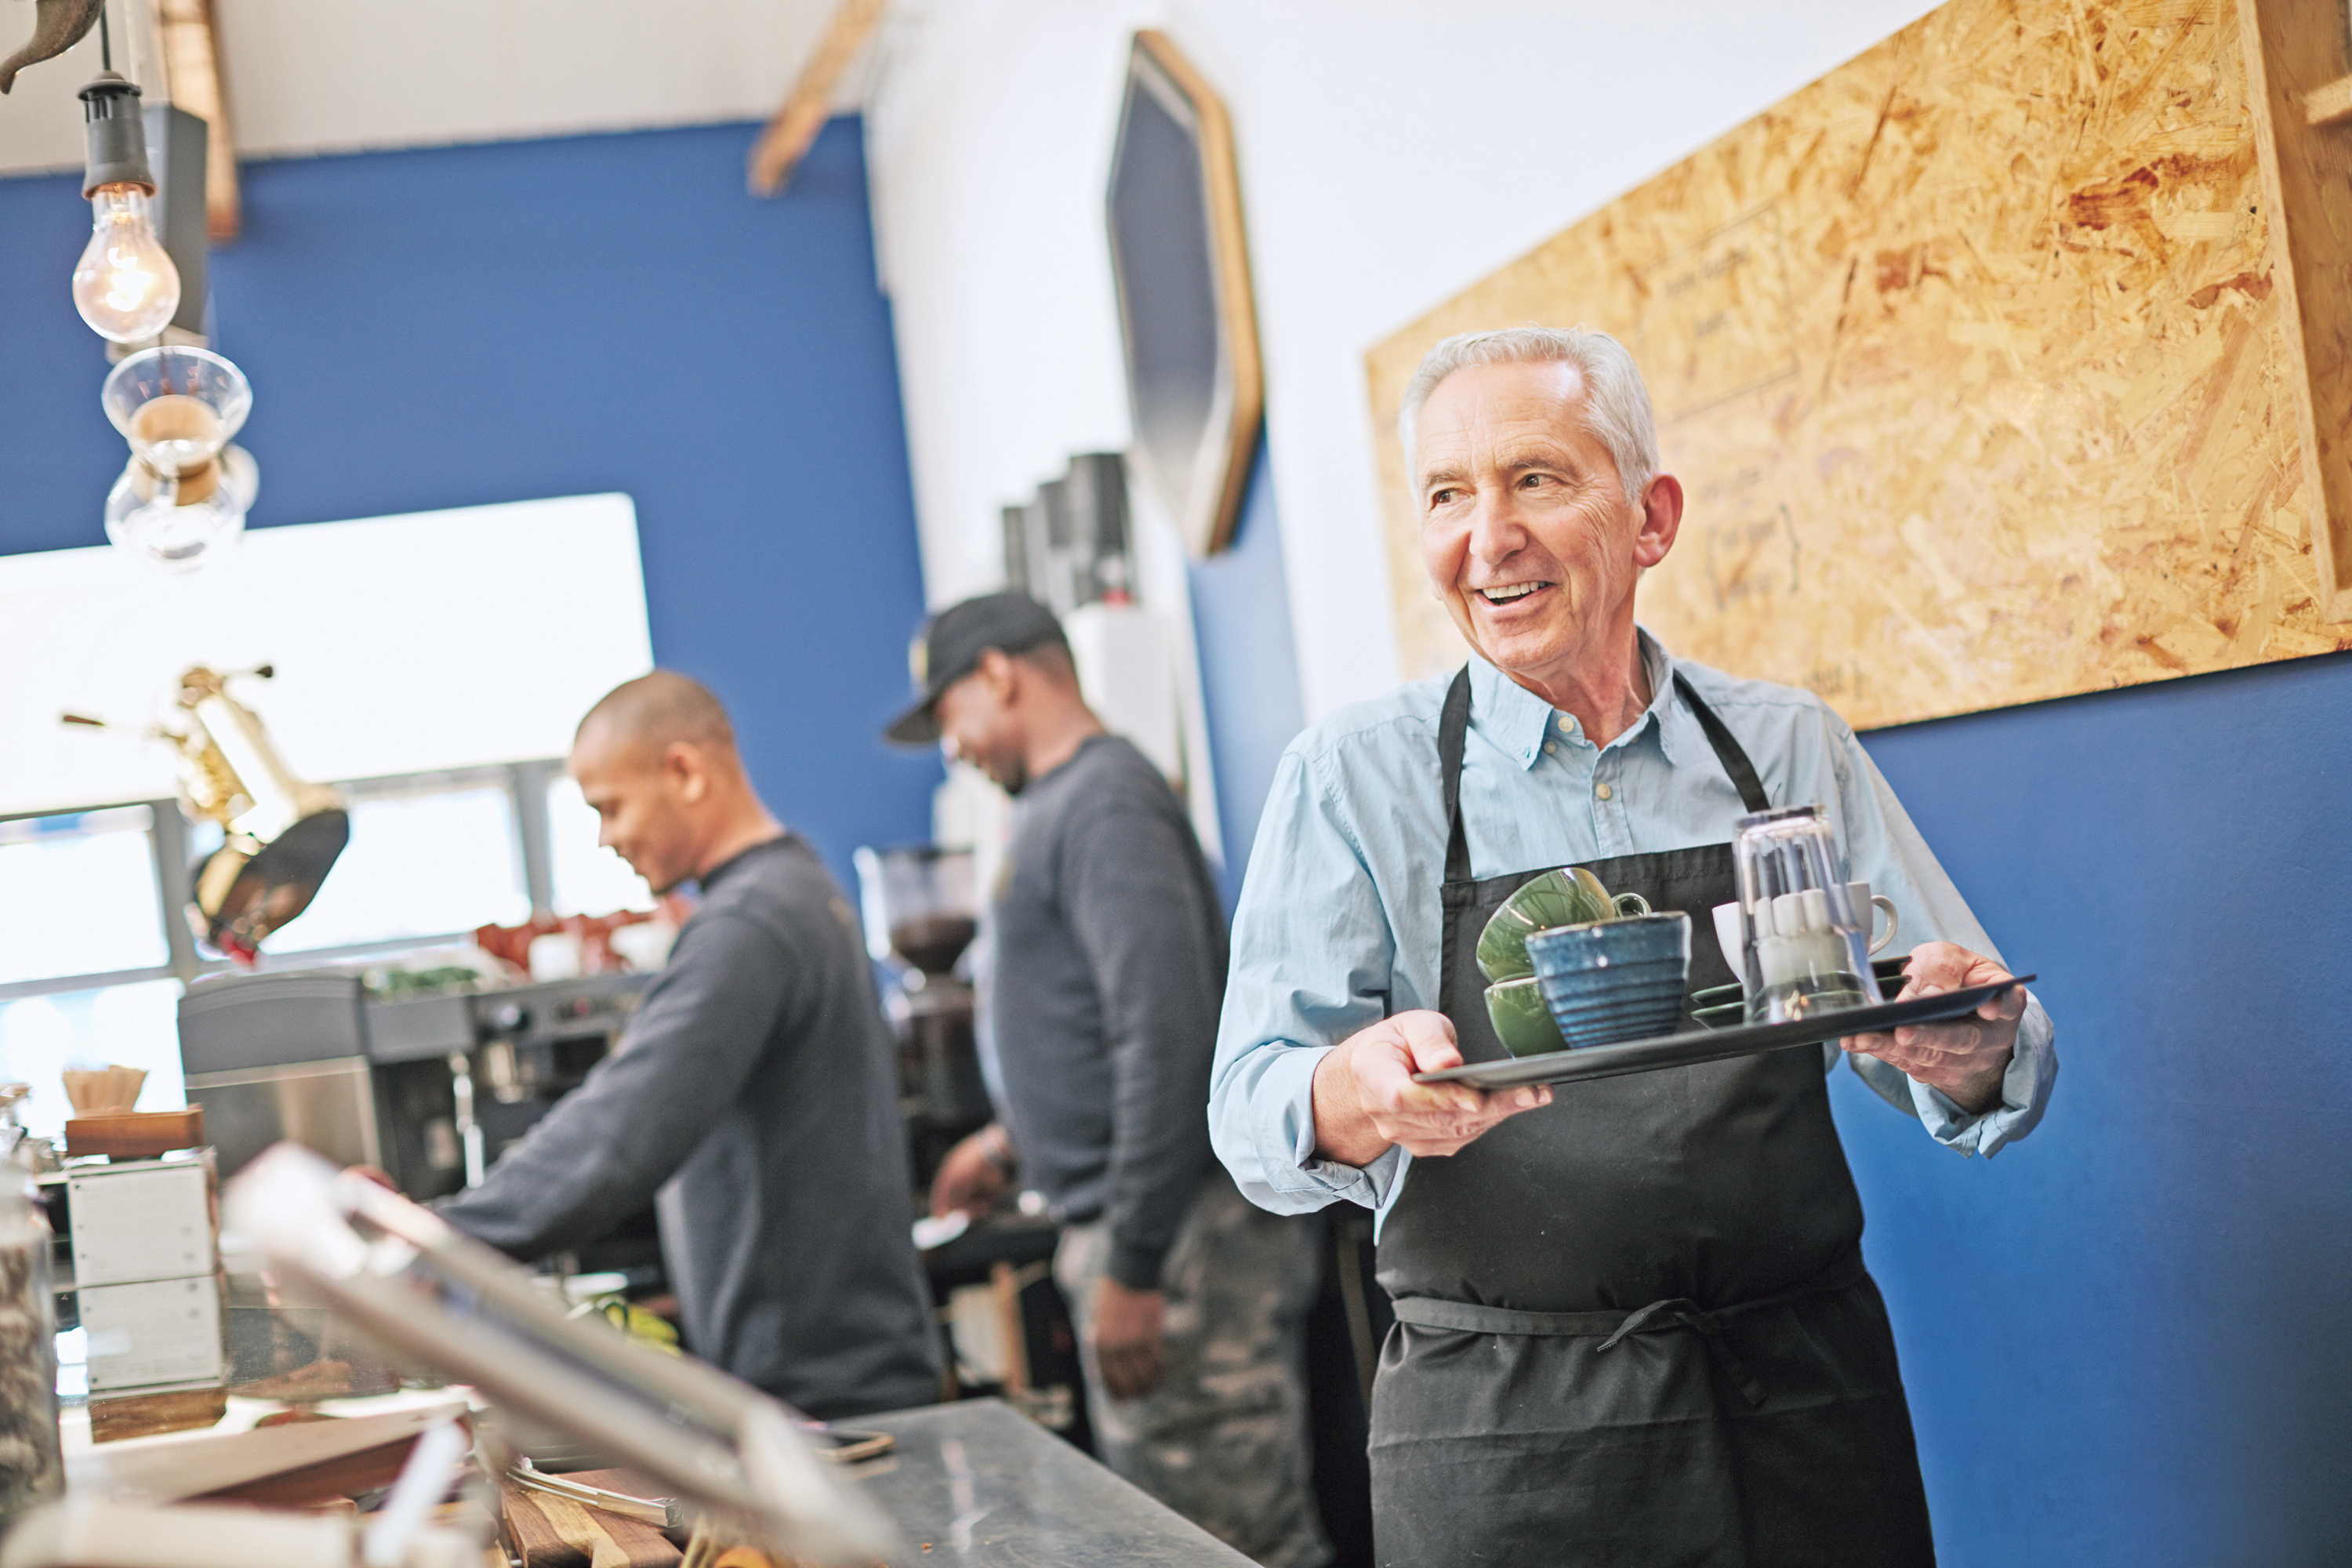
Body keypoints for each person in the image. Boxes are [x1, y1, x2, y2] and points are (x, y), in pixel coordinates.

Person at [1210, 327, 2059, 1566]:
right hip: (1508, 1437)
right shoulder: (1353, 779)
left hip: (1801, 1403)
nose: (1486, 537)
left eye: (1536, 481)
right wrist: (1353, 1089)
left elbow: (1981, 1029)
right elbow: (1250, 1105)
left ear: (1651, 518)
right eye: (1448, 495)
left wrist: (1965, 1044)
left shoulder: (1785, 747)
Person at [887, 593, 1330, 1568]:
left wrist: (1133, 1262)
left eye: (949, 714)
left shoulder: (1105, 801)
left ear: (998, 674)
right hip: (1148, 1232)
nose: (952, 746)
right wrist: (1014, 1141)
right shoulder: (1064, 802)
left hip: (1183, 1247)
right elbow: (1094, 1019)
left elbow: (1165, 1033)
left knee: (1227, 1538)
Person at [437, 671, 941, 1420]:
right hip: (836, 1377)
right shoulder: (792, 889)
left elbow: (624, 1124)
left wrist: (440, 1241)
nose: (607, 837)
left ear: (684, 771)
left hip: (824, 1398)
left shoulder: (751, 923)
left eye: (611, 807)